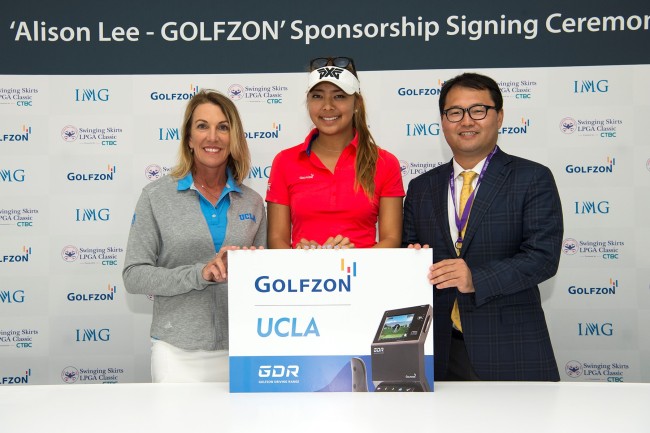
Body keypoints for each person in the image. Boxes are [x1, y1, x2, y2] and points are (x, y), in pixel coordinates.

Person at [403, 72, 562, 381]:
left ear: (499, 116)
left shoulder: (532, 178)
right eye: (455, 112)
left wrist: (475, 277)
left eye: (478, 110)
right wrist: (413, 259)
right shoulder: (421, 187)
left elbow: (542, 258)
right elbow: (407, 251)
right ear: (443, 120)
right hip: (438, 350)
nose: (466, 121)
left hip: (509, 346)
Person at [123, 89, 267, 383]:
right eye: (202, 126)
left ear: (234, 137)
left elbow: (265, 278)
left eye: (223, 127)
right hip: (177, 352)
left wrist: (253, 268)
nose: (212, 137)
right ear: (189, 139)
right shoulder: (156, 196)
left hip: (242, 347)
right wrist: (200, 273)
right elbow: (134, 275)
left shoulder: (252, 202)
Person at [266, 56, 404, 249]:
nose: (327, 106)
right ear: (308, 102)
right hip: (301, 277)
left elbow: (392, 240)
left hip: (365, 276)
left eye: (339, 96)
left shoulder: (385, 162)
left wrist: (347, 259)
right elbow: (276, 240)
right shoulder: (285, 161)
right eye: (317, 96)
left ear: (356, 103)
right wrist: (301, 258)